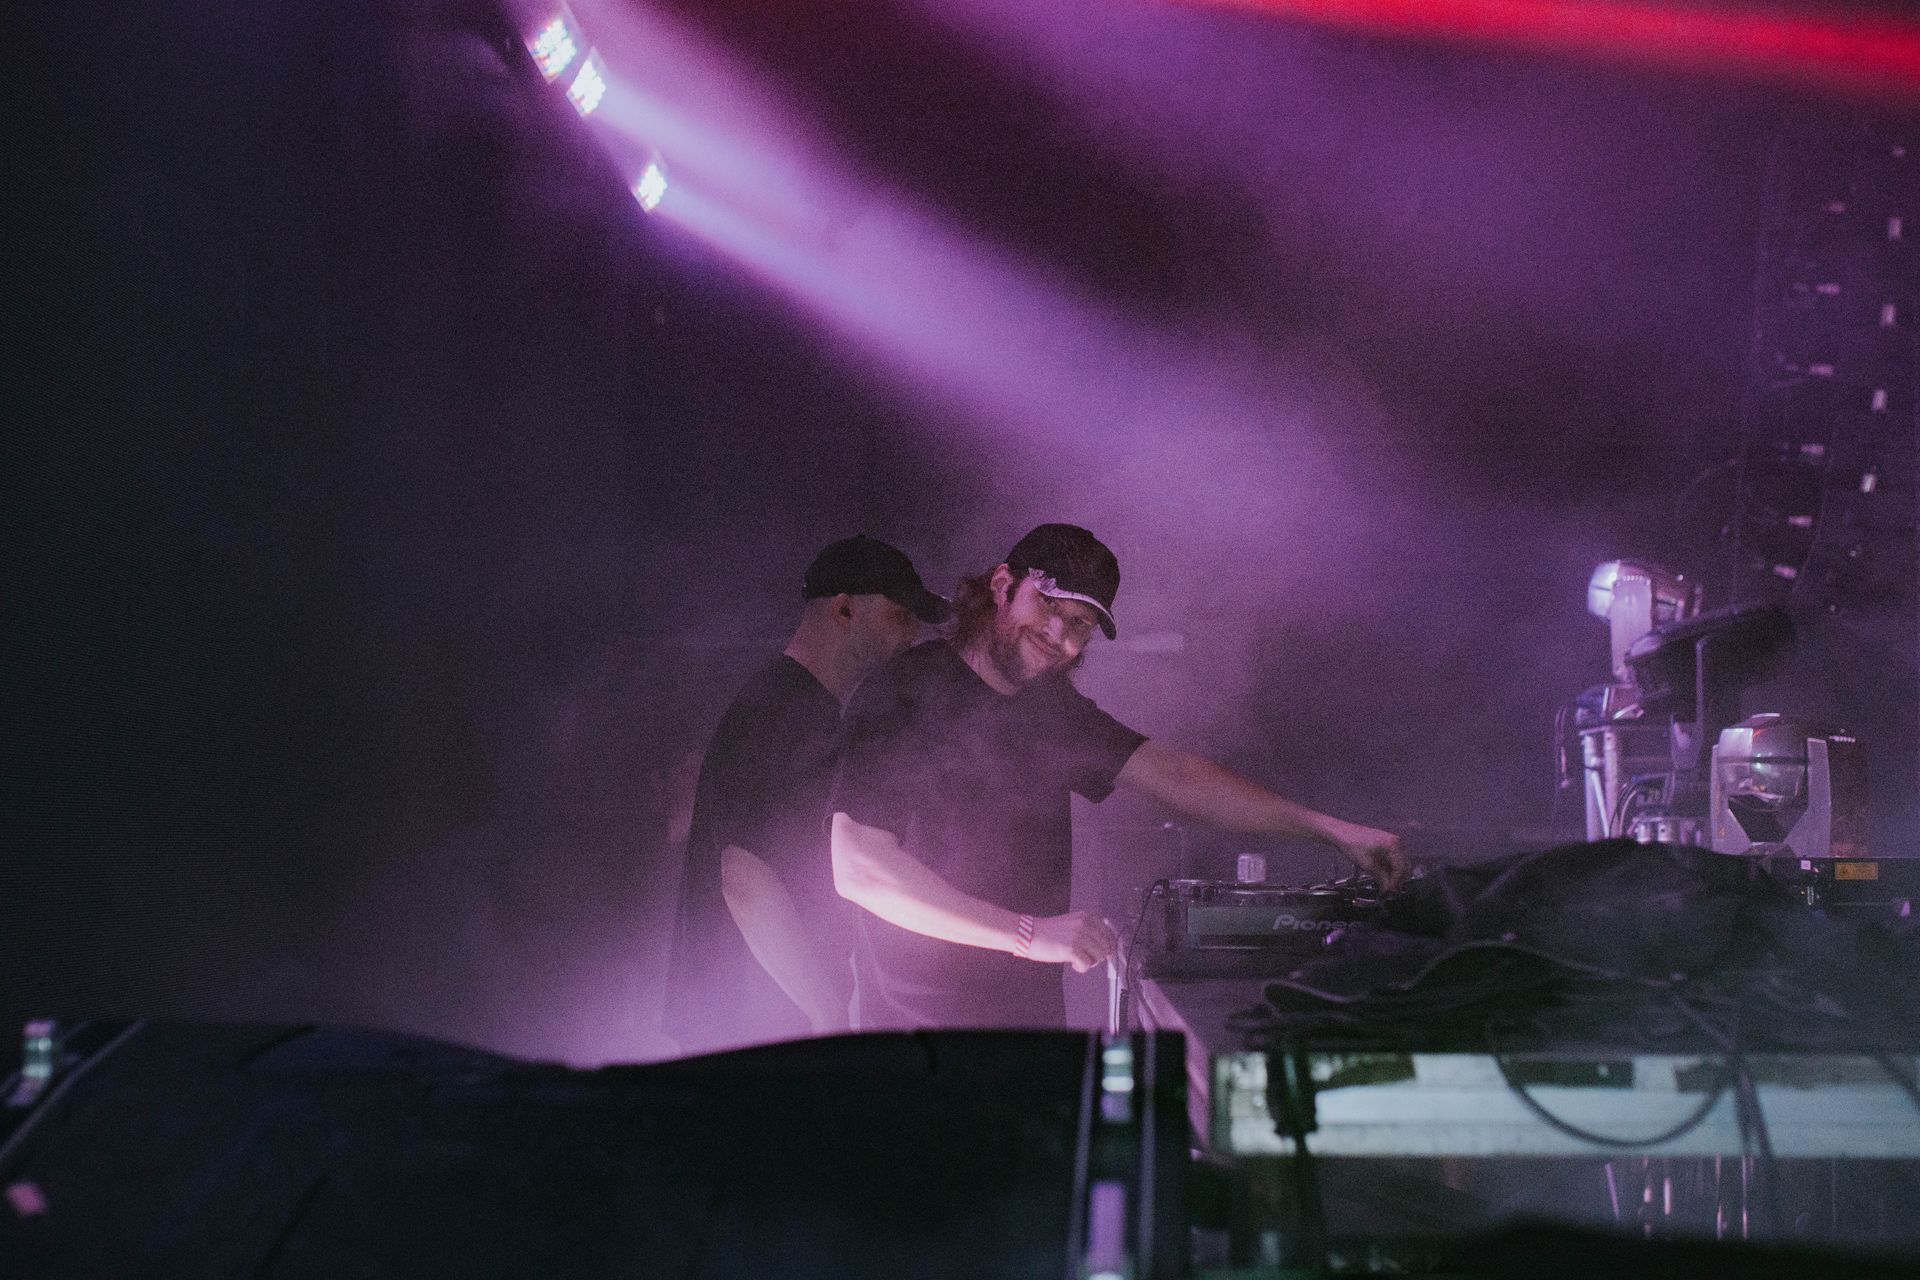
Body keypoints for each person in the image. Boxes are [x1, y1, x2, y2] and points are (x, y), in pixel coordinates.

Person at [829, 523, 1407, 1029]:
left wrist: (1331, 830)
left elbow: (1177, 776)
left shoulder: (1050, 711)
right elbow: (859, 868)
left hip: (1028, 1029)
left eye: (1080, 623)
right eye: (1050, 605)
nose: (1060, 635)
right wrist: (1027, 935)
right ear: (1002, 585)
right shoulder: (904, 691)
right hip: (920, 1039)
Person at [661, 535, 950, 1054]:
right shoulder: (789, 710)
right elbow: (743, 874)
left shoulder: (793, 703)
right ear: (843, 609)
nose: (913, 635)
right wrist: (824, 1008)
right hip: (756, 1027)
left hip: (751, 1020)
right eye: (901, 615)